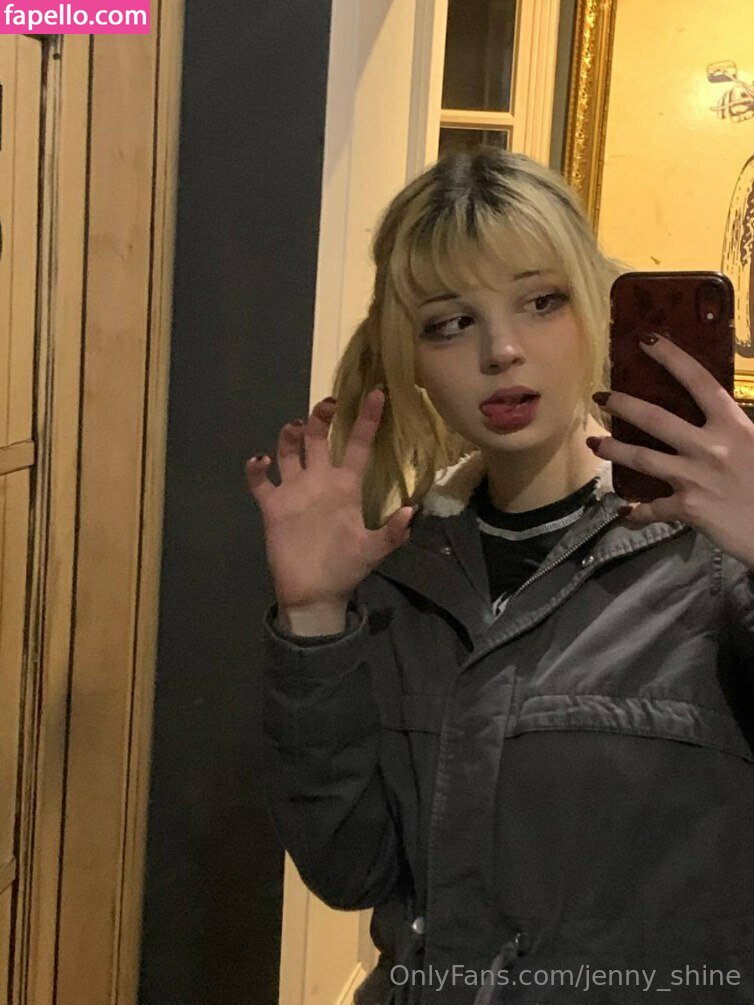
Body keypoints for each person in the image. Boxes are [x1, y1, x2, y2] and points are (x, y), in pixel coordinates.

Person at [246, 149, 754, 1004]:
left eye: (541, 301)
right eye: (450, 322)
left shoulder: (712, 557)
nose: (502, 350)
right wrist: (314, 616)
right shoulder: (398, 571)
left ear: (595, 310)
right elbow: (351, 867)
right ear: (409, 355)